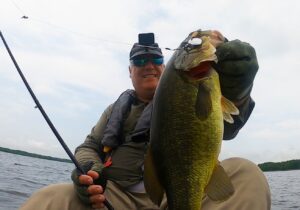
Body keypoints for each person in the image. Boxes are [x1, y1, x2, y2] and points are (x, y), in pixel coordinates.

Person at [20, 31, 271, 210]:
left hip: (176, 194)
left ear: (165, 66)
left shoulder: (193, 89)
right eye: (139, 61)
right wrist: (89, 168)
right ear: (130, 71)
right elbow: (88, 147)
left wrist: (239, 90)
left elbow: (229, 125)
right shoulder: (115, 110)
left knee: (247, 174)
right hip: (114, 197)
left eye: (156, 59)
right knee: (51, 197)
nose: (148, 65)